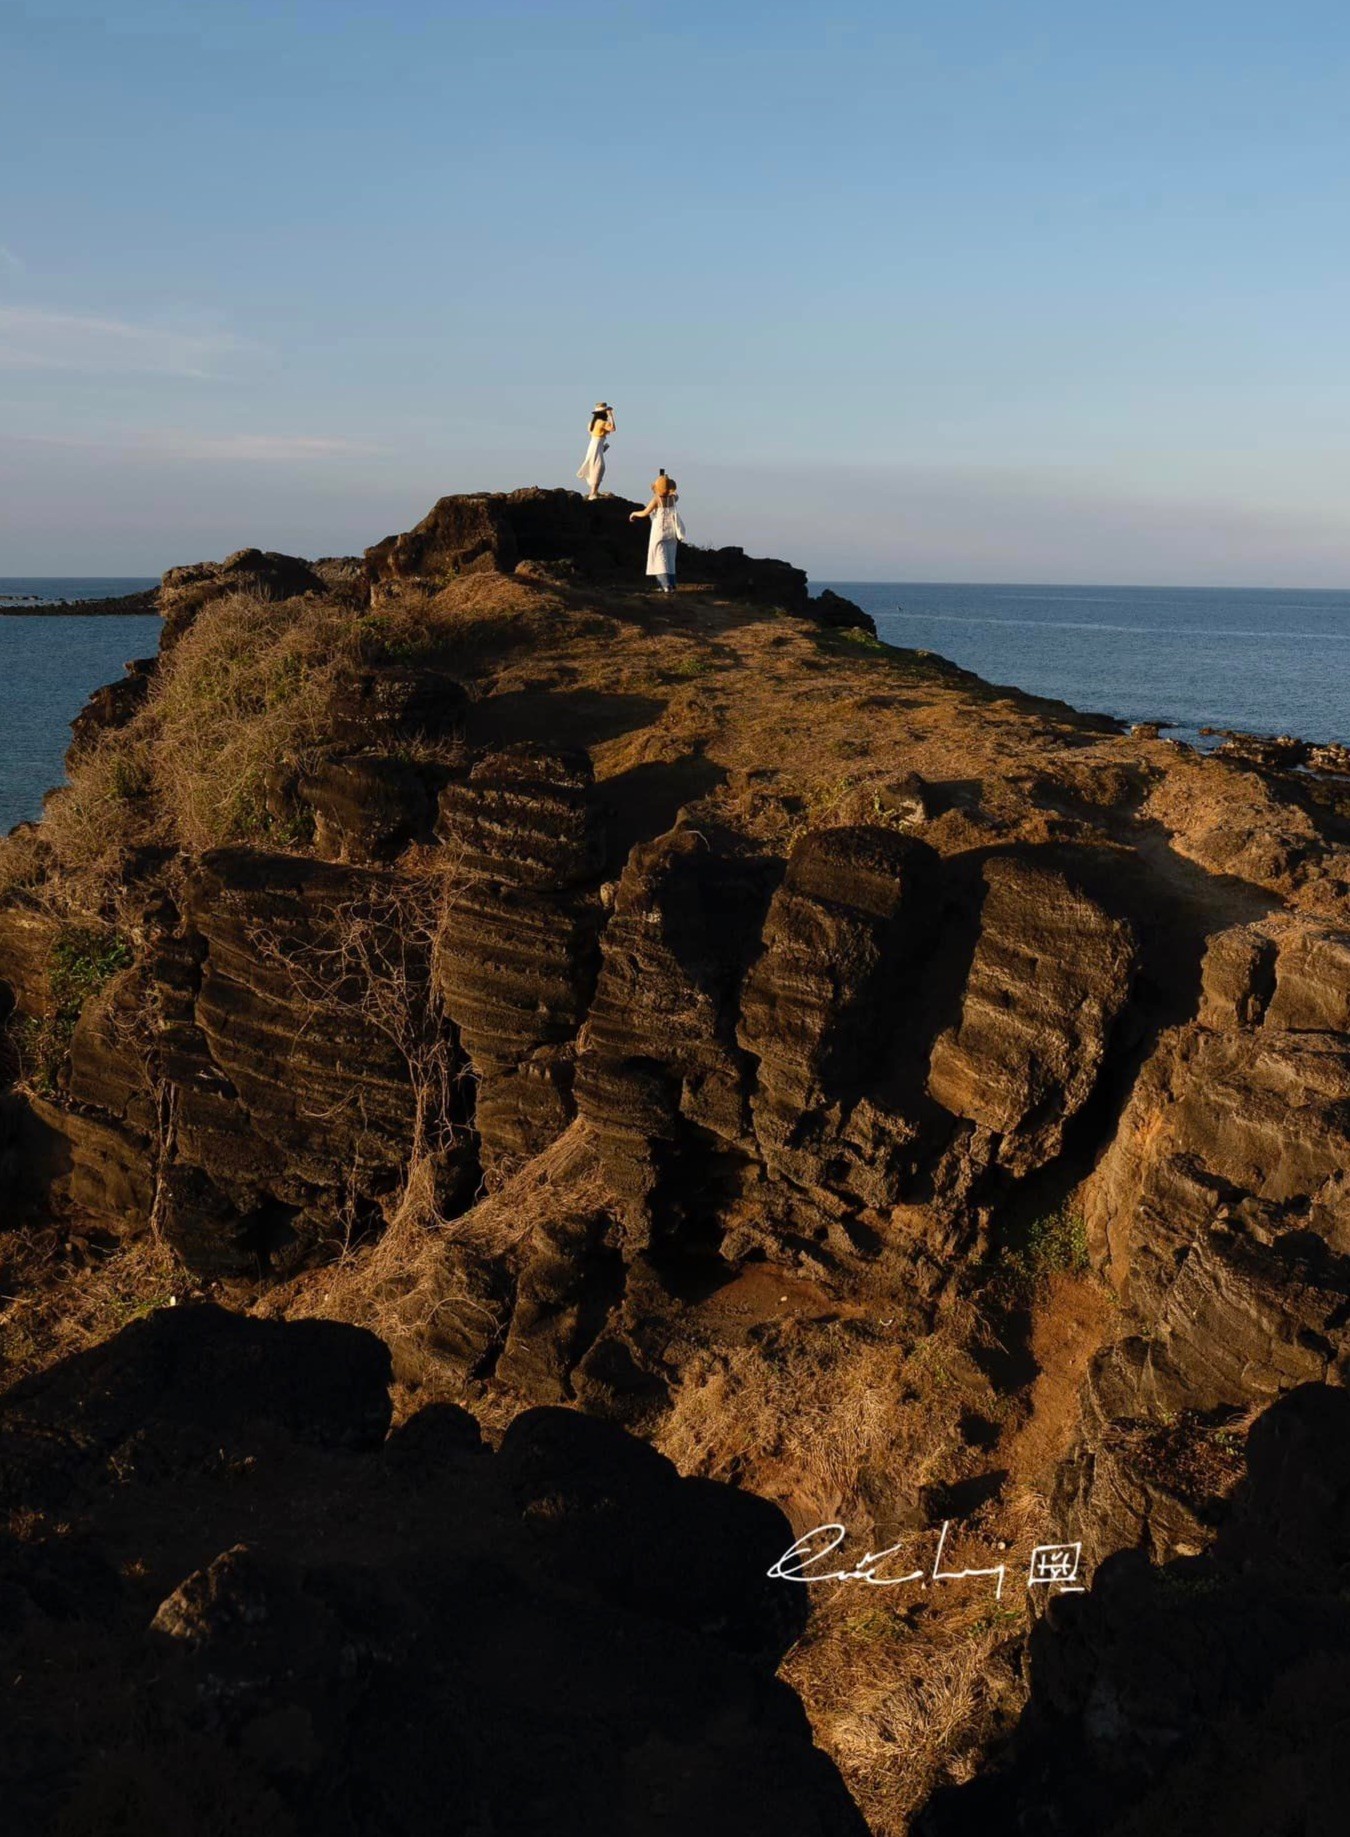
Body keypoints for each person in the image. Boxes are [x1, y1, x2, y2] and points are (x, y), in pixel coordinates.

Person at [629, 471, 685, 592]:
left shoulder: (656, 500)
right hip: (672, 532)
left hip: (659, 531)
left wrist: (633, 513)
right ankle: (672, 584)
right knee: (670, 558)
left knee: (659, 558)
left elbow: (645, 513)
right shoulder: (673, 498)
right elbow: (675, 493)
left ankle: (665, 585)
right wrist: (667, 483)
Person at [576, 402, 616, 499]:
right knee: (598, 466)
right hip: (597, 445)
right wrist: (611, 416)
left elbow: (595, 434)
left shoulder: (592, 423)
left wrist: (602, 447)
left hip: (594, 445)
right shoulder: (602, 422)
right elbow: (613, 429)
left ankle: (594, 491)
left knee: (595, 466)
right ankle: (593, 493)